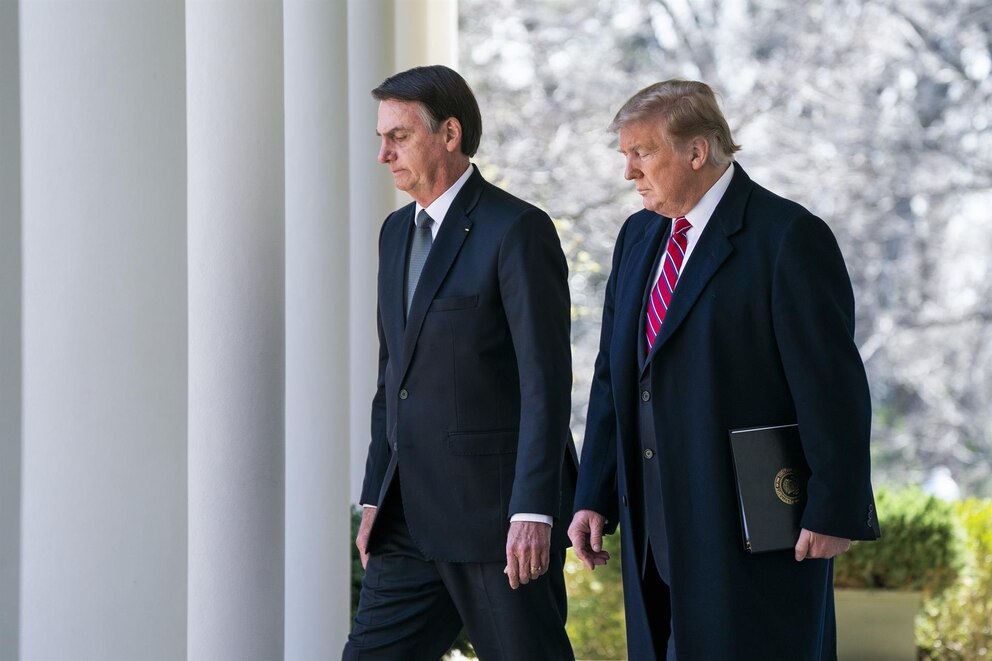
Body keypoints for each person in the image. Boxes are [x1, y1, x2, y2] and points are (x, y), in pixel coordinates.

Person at [567, 80, 880, 660]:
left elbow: (832, 388)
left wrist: (835, 508)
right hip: (653, 532)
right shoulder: (637, 236)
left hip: (751, 527)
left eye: (642, 153)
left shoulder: (788, 236)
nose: (629, 172)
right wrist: (594, 494)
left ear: (696, 151)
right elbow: (614, 377)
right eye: (625, 155)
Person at [344, 65, 576, 661]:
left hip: (496, 522)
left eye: (398, 137)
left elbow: (545, 383)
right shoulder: (395, 233)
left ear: (449, 134)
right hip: (405, 521)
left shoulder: (517, 229)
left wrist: (533, 509)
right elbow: (392, 378)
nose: (383, 154)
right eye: (382, 138)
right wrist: (374, 498)